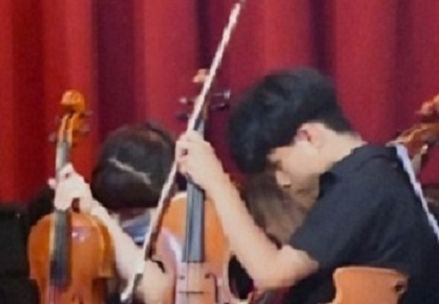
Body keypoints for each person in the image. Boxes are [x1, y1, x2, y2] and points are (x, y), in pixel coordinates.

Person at [175, 68, 439, 304]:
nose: (282, 181)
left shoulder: (364, 184)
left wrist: (217, 182)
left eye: (278, 165)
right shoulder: (370, 174)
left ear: (308, 136)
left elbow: (272, 273)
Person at [49, 123, 180, 304]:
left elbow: (158, 293)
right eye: (112, 212)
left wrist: (98, 213)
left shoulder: (178, 238)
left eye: (131, 214)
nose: (119, 222)